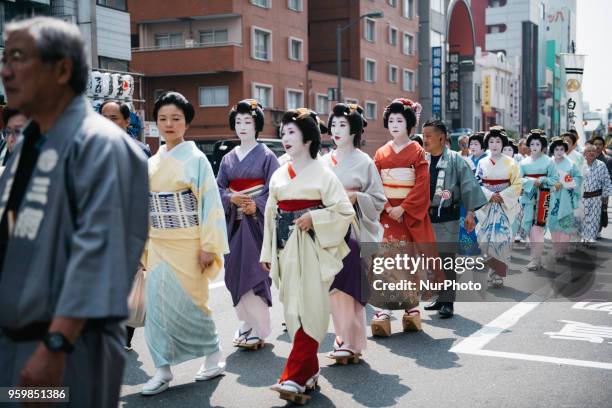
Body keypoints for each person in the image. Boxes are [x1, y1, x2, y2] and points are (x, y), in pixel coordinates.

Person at [0, 17, 149, 407]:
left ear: (62, 69)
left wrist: (55, 345)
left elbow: (101, 252)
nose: (5, 71)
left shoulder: (101, 145)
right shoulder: (29, 142)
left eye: (18, 58)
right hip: (17, 343)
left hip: (66, 349)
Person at [260, 108, 354, 402]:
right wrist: (266, 251)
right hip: (285, 247)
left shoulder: (323, 174)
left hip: (312, 247)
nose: (284, 137)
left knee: (310, 306)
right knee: (293, 309)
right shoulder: (278, 174)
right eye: (283, 132)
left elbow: (344, 211)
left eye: (291, 132)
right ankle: (310, 371)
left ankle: (295, 376)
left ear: (308, 138)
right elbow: (270, 214)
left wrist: (315, 218)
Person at [142, 91, 229, 395]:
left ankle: (214, 355)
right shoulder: (152, 161)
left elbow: (210, 203)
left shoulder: (196, 159)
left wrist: (208, 245)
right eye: (163, 118)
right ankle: (162, 370)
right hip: (158, 243)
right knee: (156, 309)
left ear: (186, 123)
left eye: (175, 118)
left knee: (193, 306)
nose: (168, 124)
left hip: (189, 243)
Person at [322, 103, 385, 362]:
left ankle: (351, 341)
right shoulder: (324, 160)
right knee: (332, 286)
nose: (337, 130)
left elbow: (378, 199)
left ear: (354, 129)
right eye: (334, 124)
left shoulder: (364, 161)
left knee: (348, 283)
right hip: (326, 229)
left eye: (343, 125)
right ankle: (343, 337)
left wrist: (356, 196)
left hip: (352, 229)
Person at [217, 99, 279, 349]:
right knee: (233, 271)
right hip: (235, 223)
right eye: (239, 121)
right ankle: (245, 322)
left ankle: (259, 328)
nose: (242, 126)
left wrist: (258, 205)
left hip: (256, 224)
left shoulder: (267, 155)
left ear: (257, 125)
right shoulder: (228, 159)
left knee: (256, 273)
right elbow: (219, 187)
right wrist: (230, 197)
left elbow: (276, 190)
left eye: (248, 122)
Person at [371, 98, 436, 336]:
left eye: (400, 120)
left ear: (409, 124)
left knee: (408, 260)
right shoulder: (380, 152)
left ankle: (411, 308)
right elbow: (375, 183)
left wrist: (405, 207)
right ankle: (384, 310)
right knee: (385, 260)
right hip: (387, 213)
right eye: (391, 120)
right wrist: (387, 206)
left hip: (408, 214)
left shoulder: (417, 151)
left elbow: (422, 183)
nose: (395, 124)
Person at [422, 120, 487, 318]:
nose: (424, 140)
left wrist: (470, 212)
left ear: (441, 138)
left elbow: (469, 186)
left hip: (448, 216)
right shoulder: (421, 159)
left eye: (428, 136)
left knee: (447, 259)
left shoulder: (456, 160)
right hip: (425, 217)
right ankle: (439, 297)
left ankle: (448, 301)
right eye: (423, 136)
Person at [475, 127, 522, 287]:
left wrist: (502, 196)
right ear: (487, 143)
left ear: (503, 144)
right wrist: (489, 195)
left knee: (501, 238)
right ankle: (491, 270)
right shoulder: (482, 162)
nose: (494, 144)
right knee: (484, 238)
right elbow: (477, 183)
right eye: (491, 141)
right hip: (487, 205)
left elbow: (517, 184)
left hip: (503, 204)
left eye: (498, 141)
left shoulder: (511, 162)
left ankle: (497, 274)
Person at [518, 130, 558, 270]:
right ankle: (537, 259)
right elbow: (518, 180)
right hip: (528, 198)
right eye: (532, 144)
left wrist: (542, 180)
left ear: (543, 146)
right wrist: (530, 181)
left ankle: (535, 260)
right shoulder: (523, 162)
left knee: (538, 228)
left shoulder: (549, 162)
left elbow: (555, 179)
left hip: (543, 196)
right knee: (528, 226)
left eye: (538, 144)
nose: (535, 146)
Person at [547, 137, 583, 258]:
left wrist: (565, 183)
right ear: (552, 150)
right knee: (552, 223)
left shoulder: (570, 164)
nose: (559, 151)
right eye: (556, 149)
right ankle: (557, 248)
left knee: (565, 223)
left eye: (562, 149)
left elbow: (578, 178)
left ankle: (562, 249)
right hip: (551, 196)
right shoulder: (548, 163)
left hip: (566, 197)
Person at [458, 132, 487, 254]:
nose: (473, 146)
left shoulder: (487, 160)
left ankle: (480, 251)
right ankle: (467, 253)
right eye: (471, 144)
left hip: (482, 199)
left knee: (480, 226)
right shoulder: (466, 160)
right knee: (465, 225)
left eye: (476, 144)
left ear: (483, 146)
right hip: (466, 198)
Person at [580, 144, 612, 244]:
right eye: (588, 151)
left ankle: (591, 237)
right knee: (583, 218)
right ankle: (584, 237)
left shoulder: (601, 165)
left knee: (594, 218)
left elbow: (606, 180)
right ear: (584, 153)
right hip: (582, 197)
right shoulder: (580, 164)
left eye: (593, 151)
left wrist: (606, 194)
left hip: (596, 197)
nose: (591, 153)